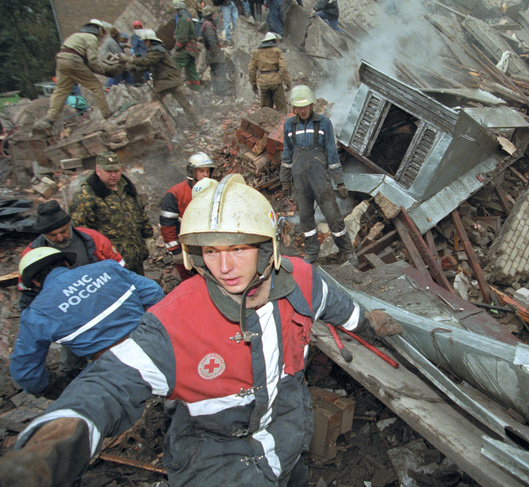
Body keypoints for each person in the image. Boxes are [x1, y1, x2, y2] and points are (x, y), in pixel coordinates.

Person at [0, 174, 401, 486]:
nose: (223, 267)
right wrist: (49, 449)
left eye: (237, 249)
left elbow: (341, 308)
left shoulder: (304, 280)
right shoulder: (174, 321)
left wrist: (370, 322)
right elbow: (107, 387)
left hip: (290, 438)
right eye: (211, 251)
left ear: (267, 248)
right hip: (215, 462)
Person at [10, 248, 165, 396]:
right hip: (154, 344)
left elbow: (25, 372)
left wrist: (49, 388)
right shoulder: (108, 267)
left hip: (111, 370)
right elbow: (154, 292)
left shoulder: (36, 313)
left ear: (36, 283)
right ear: (66, 263)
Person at [280, 85, 357, 267]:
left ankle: (347, 252)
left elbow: (331, 152)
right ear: (293, 108)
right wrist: (285, 181)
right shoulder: (289, 126)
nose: (302, 110)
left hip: (320, 178)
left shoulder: (323, 123)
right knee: (306, 218)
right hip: (300, 179)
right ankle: (312, 253)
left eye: (305, 106)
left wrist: (339, 181)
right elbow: (286, 154)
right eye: (298, 107)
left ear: (312, 105)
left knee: (333, 215)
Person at [18, 200, 125, 311]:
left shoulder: (93, 238)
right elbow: (27, 294)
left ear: (69, 225)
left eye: (63, 231)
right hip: (62, 309)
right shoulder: (30, 255)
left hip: (102, 299)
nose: (60, 238)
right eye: (52, 235)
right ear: (43, 234)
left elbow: (120, 270)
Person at [71, 152, 154, 276]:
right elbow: (81, 231)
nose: (114, 175)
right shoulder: (86, 195)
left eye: (116, 170)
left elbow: (139, 212)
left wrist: (148, 235)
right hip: (111, 260)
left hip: (135, 254)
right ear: (98, 170)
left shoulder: (127, 187)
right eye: (108, 171)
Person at [33, 19, 119, 131]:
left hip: (62, 60)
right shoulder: (92, 38)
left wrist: (101, 69)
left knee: (61, 90)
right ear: (99, 30)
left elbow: (86, 62)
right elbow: (92, 61)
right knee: (96, 86)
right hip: (73, 60)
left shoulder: (75, 36)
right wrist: (105, 71)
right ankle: (107, 114)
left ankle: (49, 119)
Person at [160, 152, 216, 281]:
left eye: (207, 171)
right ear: (192, 172)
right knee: (191, 279)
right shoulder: (176, 193)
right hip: (186, 246)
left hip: (208, 243)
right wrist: (175, 250)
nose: (205, 175)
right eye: (201, 171)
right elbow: (167, 224)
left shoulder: (213, 188)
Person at [124, 29, 199, 124]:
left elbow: (147, 61)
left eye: (144, 41)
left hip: (166, 81)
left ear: (149, 41)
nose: (144, 43)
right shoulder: (156, 50)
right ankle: (195, 121)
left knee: (155, 103)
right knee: (184, 103)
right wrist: (136, 68)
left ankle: (163, 124)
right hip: (171, 80)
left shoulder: (156, 51)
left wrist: (129, 60)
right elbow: (150, 65)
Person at [248, 31, 291, 112]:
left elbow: (251, 70)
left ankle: (266, 124)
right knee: (281, 109)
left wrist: (253, 84)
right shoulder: (276, 51)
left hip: (263, 82)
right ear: (274, 41)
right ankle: (282, 124)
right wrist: (287, 82)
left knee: (266, 110)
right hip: (276, 81)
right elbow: (283, 68)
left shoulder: (256, 52)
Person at [200, 6, 231, 96]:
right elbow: (212, 40)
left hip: (209, 53)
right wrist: (216, 52)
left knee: (213, 71)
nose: (214, 17)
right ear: (210, 15)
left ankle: (216, 90)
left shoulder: (205, 24)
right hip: (213, 53)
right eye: (213, 15)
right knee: (220, 71)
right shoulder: (208, 25)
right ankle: (222, 90)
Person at [172, 0, 201, 91]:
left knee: (175, 62)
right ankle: (195, 88)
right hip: (192, 50)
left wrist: (177, 47)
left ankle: (174, 87)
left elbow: (183, 38)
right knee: (190, 69)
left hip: (187, 49)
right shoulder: (188, 18)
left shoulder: (183, 20)